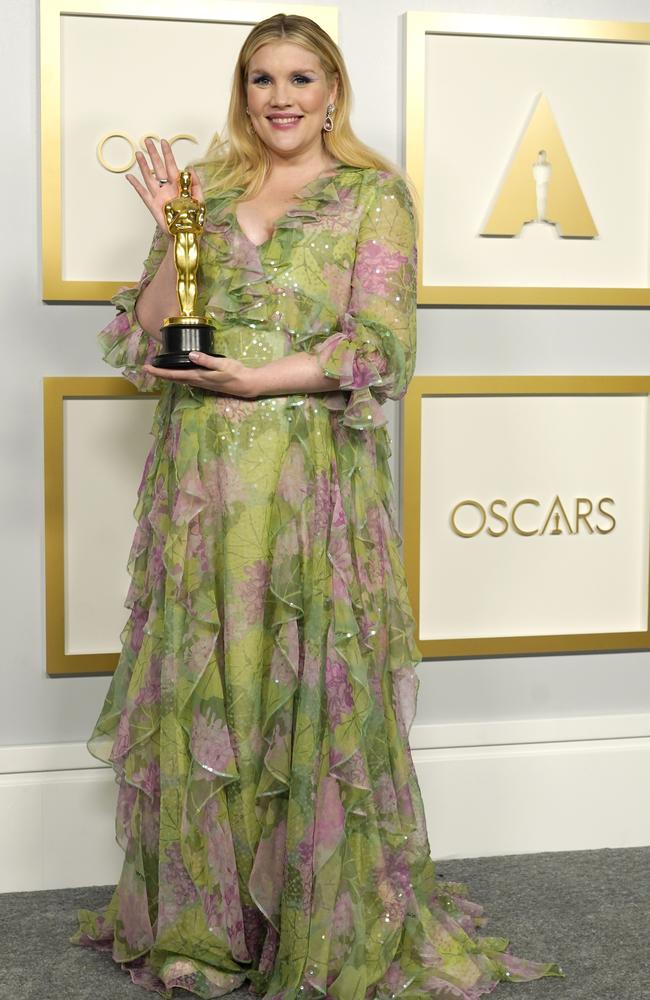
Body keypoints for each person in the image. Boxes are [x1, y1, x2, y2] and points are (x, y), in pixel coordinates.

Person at [71, 13, 562, 1000]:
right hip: (201, 485)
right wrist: (172, 229)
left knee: (304, 689)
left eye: (300, 77)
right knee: (212, 680)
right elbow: (143, 338)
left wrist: (260, 380)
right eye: (261, 80)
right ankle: (210, 927)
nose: (280, 97)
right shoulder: (203, 191)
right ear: (242, 91)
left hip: (311, 483)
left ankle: (312, 916)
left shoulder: (371, 196)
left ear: (332, 89)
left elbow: (380, 348)